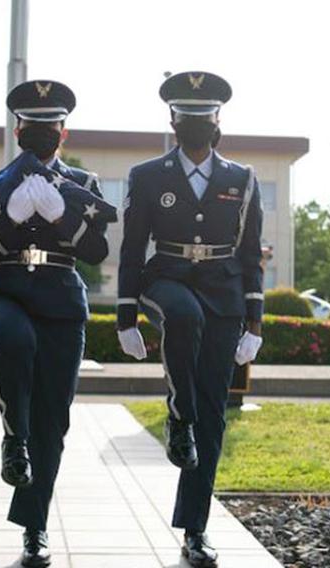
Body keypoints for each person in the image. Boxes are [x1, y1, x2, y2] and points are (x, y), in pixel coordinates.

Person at [0, 80, 116, 568]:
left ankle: (34, 529)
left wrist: (61, 215)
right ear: (18, 128)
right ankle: (13, 436)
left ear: (62, 132)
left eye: (50, 126)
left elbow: (96, 252)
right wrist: (11, 217)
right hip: (5, 292)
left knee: (54, 420)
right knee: (13, 338)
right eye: (32, 124)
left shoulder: (83, 187)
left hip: (62, 300)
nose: (41, 132)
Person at [115, 71, 264, 567]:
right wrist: (125, 315)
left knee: (213, 416)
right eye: (187, 117)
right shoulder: (147, 175)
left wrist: (255, 322)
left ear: (217, 121)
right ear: (173, 121)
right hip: (167, 279)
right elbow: (133, 247)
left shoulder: (241, 179)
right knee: (182, 315)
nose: (196, 124)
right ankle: (178, 413)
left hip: (224, 295)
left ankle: (194, 530)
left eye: (204, 117)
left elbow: (249, 256)